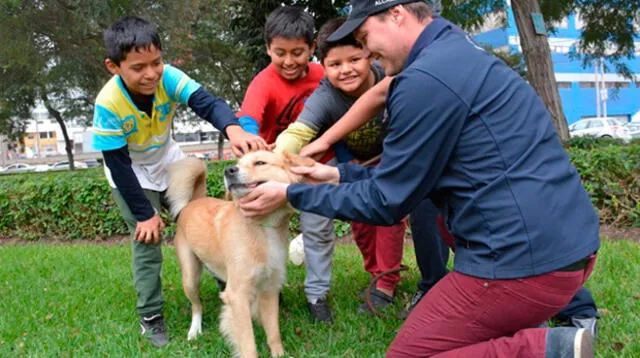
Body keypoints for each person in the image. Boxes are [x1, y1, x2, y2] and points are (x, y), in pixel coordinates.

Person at [237, 1, 601, 356]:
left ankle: (543, 348)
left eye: (365, 38)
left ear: (396, 14)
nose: (365, 52)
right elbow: (412, 171)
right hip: (567, 246)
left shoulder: (424, 80)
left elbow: (387, 202)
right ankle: (525, 324)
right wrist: (334, 173)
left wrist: (292, 193)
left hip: (521, 265)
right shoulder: (454, 52)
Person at [91, 16, 267, 347]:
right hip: (130, 173)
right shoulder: (108, 103)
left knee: (206, 220)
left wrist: (233, 128)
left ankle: (225, 280)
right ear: (114, 67)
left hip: (168, 158)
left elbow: (208, 103)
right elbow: (117, 163)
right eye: (138, 67)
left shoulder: (168, 78)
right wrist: (145, 213)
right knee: (148, 239)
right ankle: (151, 315)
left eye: (156, 62)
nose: (151, 74)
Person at [275, 17, 406, 313]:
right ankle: (376, 274)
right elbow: (299, 131)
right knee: (360, 217)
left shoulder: (390, 78)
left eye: (354, 59)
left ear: (369, 55)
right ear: (322, 65)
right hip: (353, 165)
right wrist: (279, 158)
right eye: (335, 64)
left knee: (389, 215)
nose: (346, 69)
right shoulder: (326, 95)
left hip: (394, 161)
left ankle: (386, 283)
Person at [235, 6, 338, 323]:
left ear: (311, 48)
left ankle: (317, 295)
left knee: (318, 231)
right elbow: (249, 120)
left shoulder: (324, 75)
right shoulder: (263, 82)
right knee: (265, 231)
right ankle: (270, 289)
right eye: (280, 53)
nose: (289, 61)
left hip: (315, 168)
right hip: (271, 173)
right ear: (268, 49)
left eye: (298, 52)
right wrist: (250, 139)